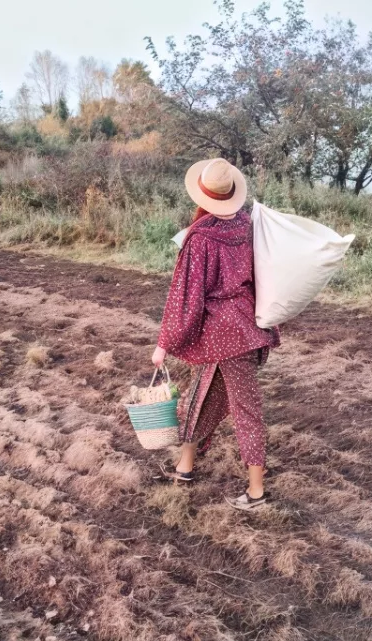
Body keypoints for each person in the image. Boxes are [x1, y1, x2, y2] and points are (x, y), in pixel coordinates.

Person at [152, 158, 280, 511]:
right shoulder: (247, 225)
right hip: (248, 328)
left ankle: (256, 493)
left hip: (223, 335)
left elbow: (186, 297)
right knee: (201, 398)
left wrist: (164, 343)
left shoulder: (201, 238)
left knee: (245, 410)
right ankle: (185, 467)